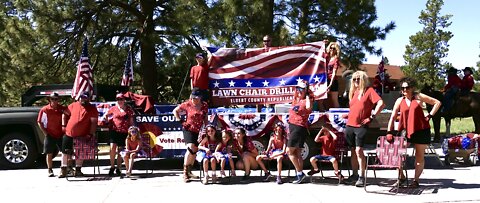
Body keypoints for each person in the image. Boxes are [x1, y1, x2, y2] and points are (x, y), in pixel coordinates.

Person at [387, 77, 441, 188]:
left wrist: (430, 115)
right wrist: (389, 131)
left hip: (421, 130)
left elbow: (437, 103)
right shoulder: (399, 100)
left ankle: (415, 181)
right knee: (397, 154)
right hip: (405, 131)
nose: (404, 90)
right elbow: (392, 117)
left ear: (412, 88)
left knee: (419, 156)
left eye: (407, 88)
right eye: (402, 88)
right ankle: (401, 176)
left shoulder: (419, 97)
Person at [343, 71, 384, 187]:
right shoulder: (354, 92)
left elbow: (381, 103)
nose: (356, 81)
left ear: (363, 80)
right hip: (350, 125)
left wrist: (372, 116)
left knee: (359, 151)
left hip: (361, 126)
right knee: (352, 151)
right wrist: (349, 115)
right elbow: (356, 108)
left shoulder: (369, 91)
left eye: (358, 79)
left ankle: (362, 176)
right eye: (354, 79)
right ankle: (354, 175)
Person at [59, 91, 98, 178]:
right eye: (82, 98)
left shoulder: (92, 109)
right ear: (79, 98)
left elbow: (93, 122)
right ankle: (63, 170)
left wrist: (90, 134)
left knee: (80, 152)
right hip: (69, 133)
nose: (83, 100)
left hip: (82, 134)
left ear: (88, 99)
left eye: (85, 98)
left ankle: (78, 170)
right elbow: (64, 114)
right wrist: (63, 125)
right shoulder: (73, 105)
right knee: (64, 152)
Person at [172, 89, 209, 182]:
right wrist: (180, 120)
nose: (195, 100)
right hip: (189, 129)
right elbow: (175, 111)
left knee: (195, 150)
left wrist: (207, 128)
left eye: (196, 98)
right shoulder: (187, 104)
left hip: (199, 130)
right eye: (193, 98)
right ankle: (184, 172)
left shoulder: (204, 105)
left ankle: (189, 171)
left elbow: (205, 117)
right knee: (190, 147)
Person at [37, 92, 70, 177]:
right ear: (49, 100)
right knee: (49, 153)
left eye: (56, 99)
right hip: (50, 134)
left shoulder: (62, 109)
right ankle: (50, 169)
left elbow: (69, 117)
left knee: (65, 152)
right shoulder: (45, 109)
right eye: (52, 99)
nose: (54, 101)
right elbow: (40, 122)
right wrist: (46, 133)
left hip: (61, 134)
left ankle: (67, 168)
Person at [287, 80, 313, 184]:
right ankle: (299, 174)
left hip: (299, 127)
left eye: (301, 89)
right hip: (293, 126)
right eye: (298, 89)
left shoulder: (308, 99)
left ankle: (300, 173)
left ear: (306, 90)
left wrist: (306, 95)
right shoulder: (296, 99)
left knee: (289, 151)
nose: (299, 91)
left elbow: (308, 108)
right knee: (297, 152)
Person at [103, 93, 134, 176]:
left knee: (121, 151)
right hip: (114, 130)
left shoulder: (128, 109)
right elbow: (105, 116)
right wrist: (106, 120)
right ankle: (112, 166)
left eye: (121, 99)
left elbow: (131, 121)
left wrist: (131, 130)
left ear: (124, 100)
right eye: (118, 99)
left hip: (124, 132)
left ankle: (119, 167)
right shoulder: (113, 108)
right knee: (112, 148)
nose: (119, 101)